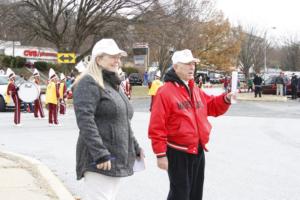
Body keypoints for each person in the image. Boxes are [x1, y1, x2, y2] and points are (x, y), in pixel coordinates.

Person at [148, 49, 233, 200]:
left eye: (193, 63)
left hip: (197, 150)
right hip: (177, 152)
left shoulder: (195, 89)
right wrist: (160, 154)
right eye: (187, 64)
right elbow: (157, 126)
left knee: (195, 194)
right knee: (180, 194)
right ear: (176, 67)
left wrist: (225, 98)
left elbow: (212, 106)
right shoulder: (164, 92)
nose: (192, 67)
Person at [73, 38, 144, 200]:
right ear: (98, 59)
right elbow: (85, 122)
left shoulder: (112, 85)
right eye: (113, 56)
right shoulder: (88, 82)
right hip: (99, 160)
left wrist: (135, 147)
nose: (117, 61)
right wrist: (100, 153)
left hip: (115, 157)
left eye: (119, 57)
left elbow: (124, 120)